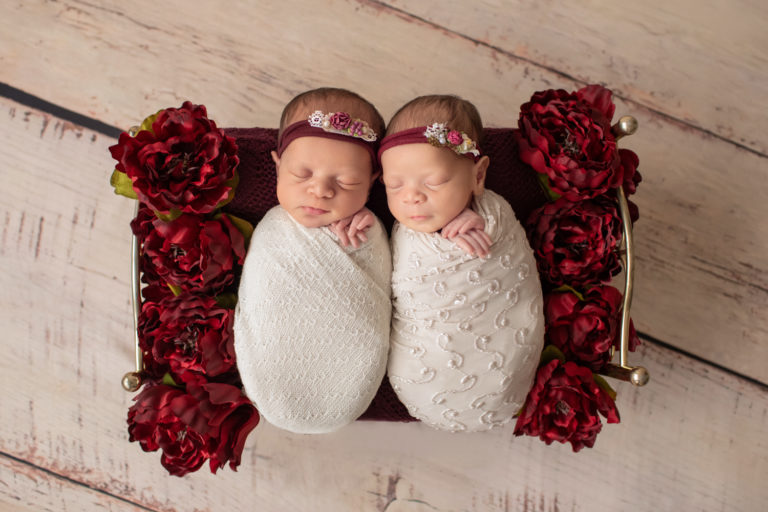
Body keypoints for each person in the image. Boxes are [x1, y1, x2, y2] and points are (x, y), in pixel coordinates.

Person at [379, 95, 545, 432]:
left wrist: (482, 225)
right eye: (393, 185)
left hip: (500, 359)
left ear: (478, 174)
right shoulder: (402, 234)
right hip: (424, 370)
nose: (411, 196)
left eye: (434, 181)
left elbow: (512, 274)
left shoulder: (495, 214)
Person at [233, 88, 392, 434]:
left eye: (347, 181)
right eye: (302, 174)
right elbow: (260, 292)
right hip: (277, 349)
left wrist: (370, 239)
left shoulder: (365, 230)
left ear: (372, 184)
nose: (320, 190)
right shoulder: (274, 227)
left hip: (348, 354)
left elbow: (382, 287)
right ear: (277, 167)